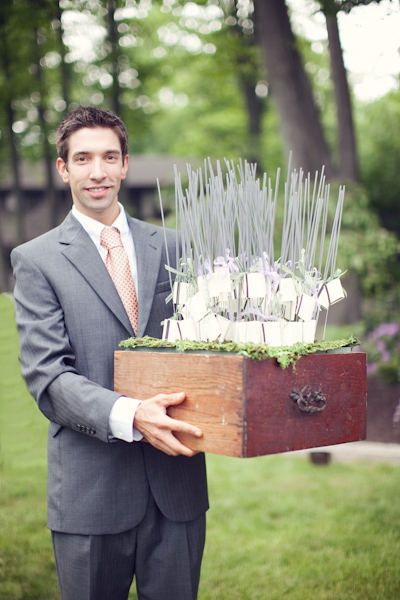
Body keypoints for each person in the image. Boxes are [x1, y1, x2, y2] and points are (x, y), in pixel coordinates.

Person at [11, 106, 209, 600]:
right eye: (82, 159)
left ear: (125, 164)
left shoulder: (175, 247)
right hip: (90, 493)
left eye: (108, 157)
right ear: (63, 168)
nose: (96, 171)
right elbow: (48, 378)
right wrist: (133, 415)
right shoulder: (36, 261)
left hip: (176, 488)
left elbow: (203, 345)